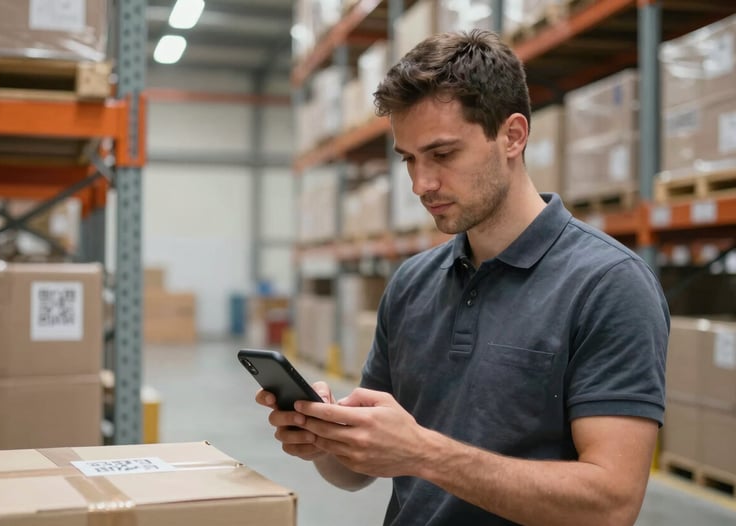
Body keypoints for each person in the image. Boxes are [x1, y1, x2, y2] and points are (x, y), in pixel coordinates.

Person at [257, 29, 669, 525]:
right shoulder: (412, 284)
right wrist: (325, 440)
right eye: (409, 159)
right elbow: (356, 474)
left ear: (513, 136)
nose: (420, 184)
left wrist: (423, 453)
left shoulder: (608, 285)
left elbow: (611, 504)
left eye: (443, 155)